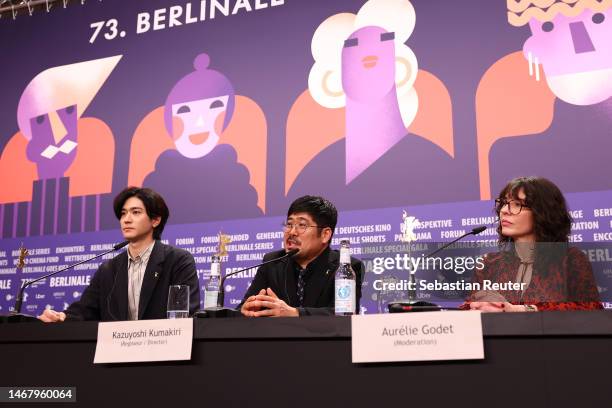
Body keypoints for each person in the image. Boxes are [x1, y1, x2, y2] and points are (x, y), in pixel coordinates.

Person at [38, 187, 200, 322]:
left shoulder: (178, 260)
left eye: (135, 212)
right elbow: (86, 310)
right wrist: (61, 316)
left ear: (155, 220)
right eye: (123, 213)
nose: (126, 220)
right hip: (116, 353)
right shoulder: (109, 269)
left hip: (164, 350)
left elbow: (185, 313)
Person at [463, 176, 602, 312]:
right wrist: (475, 307)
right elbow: (469, 309)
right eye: (504, 203)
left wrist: (521, 309)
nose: (504, 211)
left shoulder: (570, 259)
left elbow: (591, 310)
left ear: (543, 212)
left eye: (517, 204)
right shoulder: (488, 264)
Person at [240, 195, 364, 317]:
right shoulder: (272, 263)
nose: (292, 232)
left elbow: (344, 315)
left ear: (325, 235)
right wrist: (247, 310)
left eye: (302, 225)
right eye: (289, 224)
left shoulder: (346, 268)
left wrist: (295, 313)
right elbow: (241, 310)